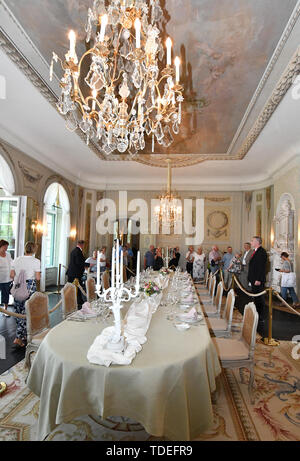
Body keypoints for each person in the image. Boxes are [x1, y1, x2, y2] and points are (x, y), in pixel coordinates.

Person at [10, 242, 41, 348]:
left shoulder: (16, 259)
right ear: (34, 250)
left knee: (18, 311)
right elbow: (37, 278)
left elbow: (12, 275)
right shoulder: (36, 261)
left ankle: (22, 334)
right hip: (29, 287)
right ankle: (18, 337)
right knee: (26, 312)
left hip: (18, 285)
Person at [248, 236, 268, 325]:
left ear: (257, 242)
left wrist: (258, 279)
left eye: (252, 241)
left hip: (257, 280)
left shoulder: (261, 252)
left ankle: (260, 317)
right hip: (254, 279)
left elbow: (261, 268)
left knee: (259, 298)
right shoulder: (256, 251)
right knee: (256, 298)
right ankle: (256, 315)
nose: (251, 242)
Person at [66, 240, 87, 307]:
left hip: (72, 272)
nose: (84, 246)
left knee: (73, 287)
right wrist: (88, 264)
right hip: (75, 273)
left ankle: (76, 300)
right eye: (83, 245)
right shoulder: (78, 251)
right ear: (82, 245)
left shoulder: (74, 250)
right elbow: (79, 262)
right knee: (77, 287)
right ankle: (78, 301)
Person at [0, 240, 13, 317]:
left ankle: (5, 310)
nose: (6, 248)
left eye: (7, 247)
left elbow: (12, 264)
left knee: (6, 294)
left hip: (7, 279)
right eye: (4, 247)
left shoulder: (8, 254)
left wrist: (12, 274)